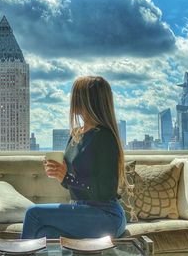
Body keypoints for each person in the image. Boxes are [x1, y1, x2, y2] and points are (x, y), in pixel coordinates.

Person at [21, 76, 127, 239]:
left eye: (76, 95)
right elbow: (76, 184)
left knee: (33, 213)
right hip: (81, 210)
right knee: (44, 234)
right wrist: (60, 174)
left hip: (105, 214)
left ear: (89, 100)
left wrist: (67, 178)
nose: (71, 99)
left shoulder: (104, 136)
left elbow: (104, 192)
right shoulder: (76, 134)